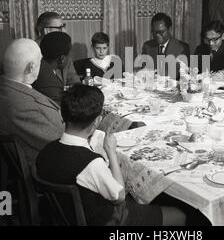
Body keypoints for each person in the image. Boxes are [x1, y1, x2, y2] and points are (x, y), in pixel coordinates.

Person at [36, 84, 186, 226]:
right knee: (181, 215)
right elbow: (119, 196)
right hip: (106, 220)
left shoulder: (45, 151)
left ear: (62, 115)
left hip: (64, 216)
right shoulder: (91, 163)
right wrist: (111, 152)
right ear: (97, 121)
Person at [0, 39, 64, 165]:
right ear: (31, 68)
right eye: (40, 62)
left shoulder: (9, 86)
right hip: (50, 166)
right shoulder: (20, 107)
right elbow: (60, 143)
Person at [35, 11, 81, 85]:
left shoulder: (64, 45)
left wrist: (78, 90)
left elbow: (72, 76)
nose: (64, 31)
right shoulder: (32, 50)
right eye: (59, 27)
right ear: (46, 30)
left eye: (64, 26)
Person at [141, 12, 190, 79]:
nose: (157, 35)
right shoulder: (147, 46)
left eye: (161, 32)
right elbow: (144, 72)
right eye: (154, 32)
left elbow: (183, 76)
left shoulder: (182, 48)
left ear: (169, 29)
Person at [32, 32, 73, 106]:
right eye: (70, 55)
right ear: (62, 59)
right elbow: (59, 109)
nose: (70, 58)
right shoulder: (49, 82)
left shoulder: (42, 66)